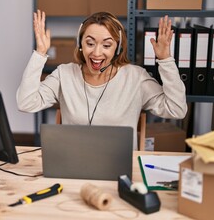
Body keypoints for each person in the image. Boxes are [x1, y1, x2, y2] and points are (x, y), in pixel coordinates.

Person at [17, 10, 187, 149]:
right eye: (90, 43)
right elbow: (26, 103)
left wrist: (165, 60)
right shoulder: (64, 74)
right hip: (72, 165)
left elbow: (176, 110)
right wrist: (39, 54)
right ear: (80, 44)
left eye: (106, 45)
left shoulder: (135, 78)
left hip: (119, 169)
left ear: (118, 48)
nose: (97, 53)